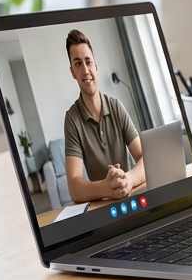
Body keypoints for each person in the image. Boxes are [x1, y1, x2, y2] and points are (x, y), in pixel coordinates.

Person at [62, 29, 145, 203]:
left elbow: (145, 158)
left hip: (131, 198)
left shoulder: (116, 107)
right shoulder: (72, 119)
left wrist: (128, 180)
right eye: (78, 64)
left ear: (96, 66)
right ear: (72, 72)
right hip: (103, 207)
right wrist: (106, 188)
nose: (85, 70)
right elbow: (74, 188)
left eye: (88, 62)